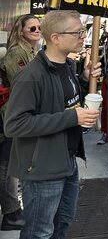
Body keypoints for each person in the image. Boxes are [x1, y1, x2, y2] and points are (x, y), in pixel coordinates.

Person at [4, 10, 102, 238]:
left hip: (67, 160)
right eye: (77, 32)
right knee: (39, 232)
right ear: (55, 37)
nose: (82, 36)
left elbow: (59, 99)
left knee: (62, 224)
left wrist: (85, 79)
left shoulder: (67, 67)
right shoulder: (30, 76)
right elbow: (15, 124)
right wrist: (72, 117)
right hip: (42, 167)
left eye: (83, 30)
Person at [0, 14, 41, 230]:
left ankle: (13, 210)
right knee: (7, 166)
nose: (36, 30)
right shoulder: (18, 52)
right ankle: (11, 213)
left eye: (38, 27)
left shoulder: (31, 51)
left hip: (17, 115)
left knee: (11, 164)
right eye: (31, 28)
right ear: (21, 31)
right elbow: (23, 86)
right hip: (11, 116)